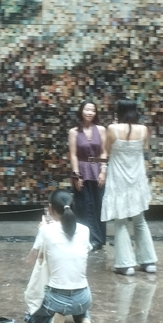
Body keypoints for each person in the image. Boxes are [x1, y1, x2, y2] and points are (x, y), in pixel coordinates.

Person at [25, 190, 93, 323]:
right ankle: (84, 318)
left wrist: (42, 231)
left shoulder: (46, 230)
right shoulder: (85, 230)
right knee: (77, 300)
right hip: (84, 298)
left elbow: (30, 261)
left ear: (50, 208)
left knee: (31, 317)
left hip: (56, 300)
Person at [101, 99, 157, 275]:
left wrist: (102, 169)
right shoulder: (143, 130)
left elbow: (106, 151)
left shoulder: (112, 129)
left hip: (118, 178)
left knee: (121, 221)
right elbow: (143, 151)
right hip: (137, 178)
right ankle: (148, 262)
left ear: (119, 111)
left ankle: (125, 265)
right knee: (140, 220)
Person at [68, 101, 107, 250]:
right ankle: (88, 239)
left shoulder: (101, 129)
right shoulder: (74, 132)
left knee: (98, 205)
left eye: (93, 110)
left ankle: (99, 239)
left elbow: (104, 152)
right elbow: (73, 155)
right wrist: (76, 175)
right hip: (82, 170)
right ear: (81, 111)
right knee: (84, 206)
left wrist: (103, 171)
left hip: (97, 170)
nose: (90, 113)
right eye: (87, 109)